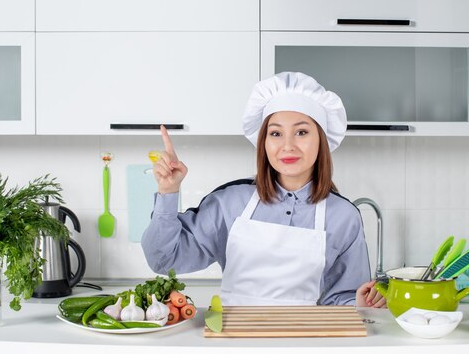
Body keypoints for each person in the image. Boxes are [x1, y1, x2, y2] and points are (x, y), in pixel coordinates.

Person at [141, 72, 385, 307]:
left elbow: (342, 298)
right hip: (235, 341)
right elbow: (164, 259)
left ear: (321, 139)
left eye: (301, 132)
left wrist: (359, 303)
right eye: (276, 133)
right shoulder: (229, 202)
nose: (287, 146)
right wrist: (167, 192)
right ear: (264, 143)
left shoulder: (343, 216)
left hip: (305, 340)